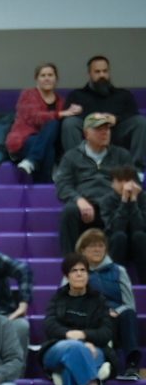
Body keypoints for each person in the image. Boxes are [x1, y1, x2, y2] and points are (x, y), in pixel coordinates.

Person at [42, 255, 115, 385]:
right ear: (67, 276)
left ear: (88, 274)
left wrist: (83, 335)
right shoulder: (58, 298)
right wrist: (70, 336)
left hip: (94, 348)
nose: (79, 274)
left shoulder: (99, 300)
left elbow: (107, 332)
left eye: (83, 270)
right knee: (74, 348)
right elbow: (49, 326)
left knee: (69, 369)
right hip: (58, 349)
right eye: (74, 271)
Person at [55, 113, 136, 253]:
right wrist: (79, 200)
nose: (105, 132)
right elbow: (63, 185)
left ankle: (115, 266)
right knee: (69, 211)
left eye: (107, 129)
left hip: (113, 204)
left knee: (127, 213)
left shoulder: (122, 155)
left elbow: (133, 182)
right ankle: (72, 264)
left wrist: (118, 195)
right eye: (99, 129)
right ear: (86, 133)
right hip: (85, 204)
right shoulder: (71, 156)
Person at [77, 228, 140, 380]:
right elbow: (68, 301)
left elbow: (129, 303)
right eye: (92, 246)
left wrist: (117, 311)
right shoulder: (77, 271)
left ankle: (132, 366)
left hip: (117, 319)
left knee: (129, 314)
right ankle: (104, 365)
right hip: (90, 320)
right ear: (83, 250)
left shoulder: (119, 271)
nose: (97, 249)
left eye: (100, 245)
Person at [61, 56, 146, 166]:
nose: (102, 75)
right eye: (97, 72)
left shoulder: (123, 94)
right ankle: (78, 168)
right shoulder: (77, 95)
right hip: (88, 136)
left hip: (115, 134)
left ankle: (135, 170)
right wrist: (93, 120)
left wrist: (116, 119)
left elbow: (133, 114)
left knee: (140, 122)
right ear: (89, 74)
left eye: (105, 71)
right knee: (69, 123)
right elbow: (69, 117)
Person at [7, 63, 83, 182]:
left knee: (51, 139)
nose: (47, 78)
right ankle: (45, 185)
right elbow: (33, 117)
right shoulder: (28, 94)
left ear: (56, 79)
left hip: (49, 143)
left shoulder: (61, 101)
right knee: (50, 135)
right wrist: (60, 114)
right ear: (36, 79)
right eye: (43, 75)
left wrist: (75, 110)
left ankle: (32, 162)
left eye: (50, 75)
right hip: (26, 140)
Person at [102, 166, 146, 282]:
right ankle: (115, 280)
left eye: (127, 181)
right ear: (113, 184)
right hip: (116, 245)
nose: (124, 185)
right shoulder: (107, 200)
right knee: (119, 236)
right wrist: (124, 201)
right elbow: (115, 227)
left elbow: (140, 226)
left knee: (139, 235)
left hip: (139, 244)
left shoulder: (143, 198)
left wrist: (134, 201)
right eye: (120, 181)